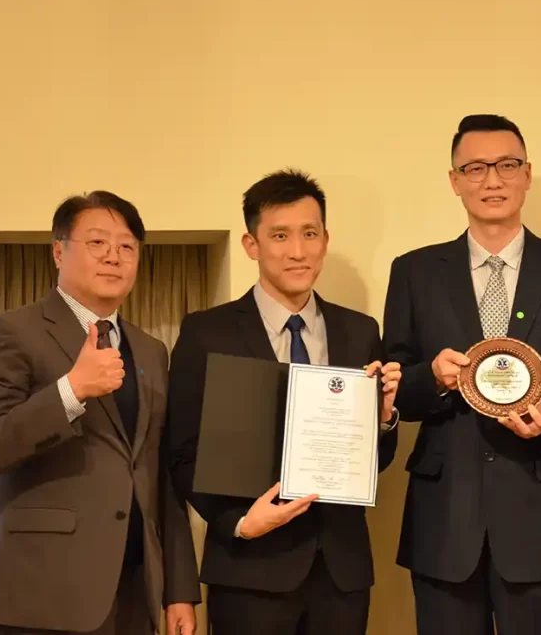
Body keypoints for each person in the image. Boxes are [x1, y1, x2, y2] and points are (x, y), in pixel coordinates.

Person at [381, 114, 541, 635]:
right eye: (475, 168)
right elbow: (394, 382)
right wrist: (434, 378)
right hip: (446, 520)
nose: (492, 180)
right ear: (454, 181)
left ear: (527, 174)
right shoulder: (415, 271)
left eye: (507, 165)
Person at [165, 169, 401, 635]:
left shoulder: (359, 331)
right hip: (248, 568)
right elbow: (181, 451)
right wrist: (238, 522)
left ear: (325, 240)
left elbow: (376, 461)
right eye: (280, 235)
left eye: (310, 234)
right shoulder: (207, 332)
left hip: (341, 571)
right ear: (251, 244)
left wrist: (383, 420)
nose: (298, 251)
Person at [0, 191, 200, 635]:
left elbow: (160, 475)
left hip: (135, 590)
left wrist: (178, 589)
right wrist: (71, 390)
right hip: (44, 592)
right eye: (97, 243)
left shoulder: (150, 349)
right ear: (59, 251)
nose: (114, 256)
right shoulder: (11, 331)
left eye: (127, 247)